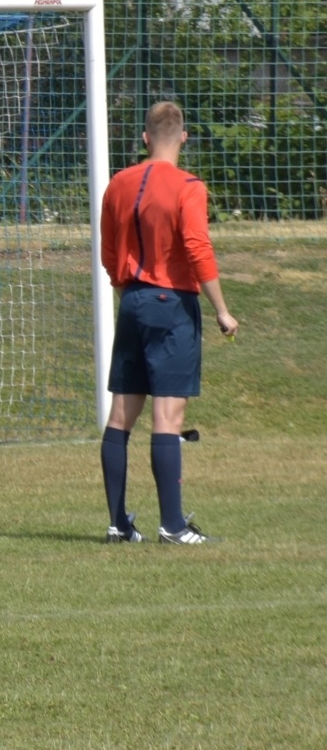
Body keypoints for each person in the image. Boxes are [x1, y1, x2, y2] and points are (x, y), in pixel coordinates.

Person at [98, 100, 238, 545]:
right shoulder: (188, 186)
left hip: (132, 300)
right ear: (183, 136)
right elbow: (197, 247)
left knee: (121, 415)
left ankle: (119, 523)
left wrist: (127, 291)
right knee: (168, 415)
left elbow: (107, 251)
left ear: (144, 137)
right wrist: (221, 309)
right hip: (172, 303)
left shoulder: (118, 183)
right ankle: (173, 525)